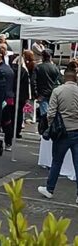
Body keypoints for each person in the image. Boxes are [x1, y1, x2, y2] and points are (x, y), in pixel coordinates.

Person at [38, 61, 78, 202]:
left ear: (65, 78)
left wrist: (51, 127)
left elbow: (51, 113)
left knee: (57, 162)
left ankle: (50, 189)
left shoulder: (58, 91)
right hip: (77, 130)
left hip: (62, 132)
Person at [34, 50, 63, 121]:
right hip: (53, 93)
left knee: (44, 115)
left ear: (42, 57)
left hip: (42, 94)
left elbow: (33, 81)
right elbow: (60, 81)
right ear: (50, 57)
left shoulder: (38, 67)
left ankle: (45, 129)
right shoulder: (56, 68)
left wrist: (36, 94)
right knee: (52, 114)